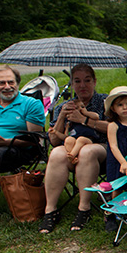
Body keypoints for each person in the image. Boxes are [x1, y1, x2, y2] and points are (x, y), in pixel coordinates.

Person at [40, 64, 110, 233]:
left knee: (87, 151)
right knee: (57, 153)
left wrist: (84, 120)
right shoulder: (63, 106)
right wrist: (62, 117)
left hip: (102, 148)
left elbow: (114, 128)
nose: (82, 85)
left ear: (94, 82)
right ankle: (50, 210)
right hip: (71, 149)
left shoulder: (105, 102)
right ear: (71, 84)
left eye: (87, 80)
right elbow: (55, 140)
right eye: (77, 81)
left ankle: (84, 208)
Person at [0, 65, 44, 215]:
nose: (7, 87)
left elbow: (35, 140)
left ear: (17, 83)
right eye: (2, 83)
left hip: (16, 148)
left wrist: (4, 141)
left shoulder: (31, 104)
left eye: (11, 82)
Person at [48, 98, 100, 165]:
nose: (81, 109)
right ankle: (72, 157)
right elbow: (65, 136)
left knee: (81, 139)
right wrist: (55, 132)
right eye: (77, 108)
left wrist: (85, 114)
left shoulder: (87, 116)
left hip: (88, 140)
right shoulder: (69, 124)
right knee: (68, 139)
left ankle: (72, 155)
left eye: (83, 106)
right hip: (74, 142)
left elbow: (96, 116)